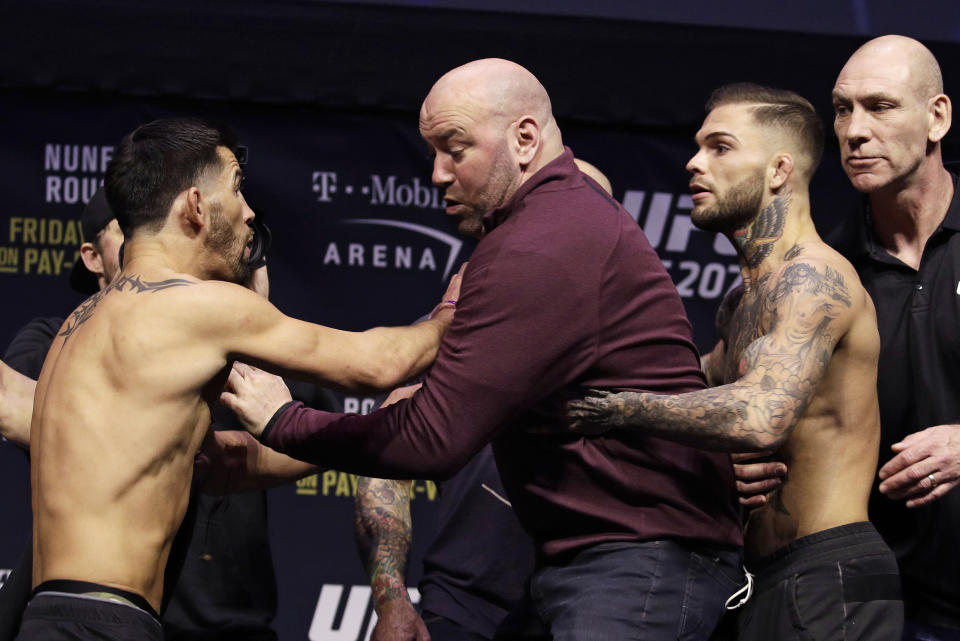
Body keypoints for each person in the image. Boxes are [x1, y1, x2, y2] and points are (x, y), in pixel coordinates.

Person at [223, 59, 742, 641]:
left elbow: (430, 439)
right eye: (432, 151)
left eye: (456, 148)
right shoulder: (540, 233)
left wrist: (285, 420)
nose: (438, 174)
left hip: (638, 561)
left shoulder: (544, 242)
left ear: (525, 138)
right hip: (599, 562)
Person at [15, 117, 460, 641]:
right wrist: (458, 307)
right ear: (196, 206)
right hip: (107, 625)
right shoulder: (195, 307)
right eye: (236, 186)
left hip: (52, 617)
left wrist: (369, 433)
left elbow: (217, 464)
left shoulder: (80, 323)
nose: (249, 211)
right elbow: (374, 364)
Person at [566, 83, 903, 640]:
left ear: (778, 170)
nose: (694, 163)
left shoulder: (812, 278)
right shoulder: (742, 302)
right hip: (760, 576)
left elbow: (759, 413)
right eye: (698, 147)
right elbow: (692, 393)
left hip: (830, 573)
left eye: (719, 147)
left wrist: (614, 409)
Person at [828, 35, 960, 640]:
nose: (855, 131)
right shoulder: (828, 272)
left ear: (937, 117)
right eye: (841, 108)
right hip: (876, 605)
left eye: (879, 107)